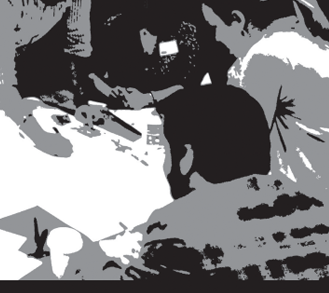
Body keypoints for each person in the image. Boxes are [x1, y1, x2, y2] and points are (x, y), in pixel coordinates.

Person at [67, 85, 329, 280]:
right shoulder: (319, 208)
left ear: (187, 156)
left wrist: (78, 258)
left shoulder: (178, 230)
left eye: (168, 151)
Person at [202, 0, 329, 190]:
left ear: (237, 20)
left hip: (308, 209)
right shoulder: (308, 42)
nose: (216, 37)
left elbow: (231, 158)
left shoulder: (265, 56)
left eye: (214, 26)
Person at [88, 0, 204, 110]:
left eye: (156, 6)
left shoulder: (184, 32)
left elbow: (190, 83)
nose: (149, 14)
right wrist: (109, 92)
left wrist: (149, 98)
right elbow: (91, 72)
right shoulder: (115, 26)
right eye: (142, 6)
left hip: (169, 111)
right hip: (121, 110)